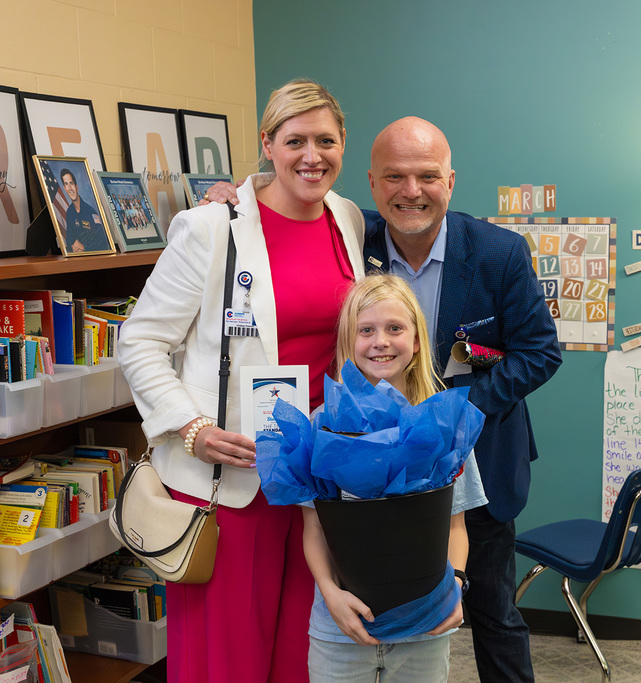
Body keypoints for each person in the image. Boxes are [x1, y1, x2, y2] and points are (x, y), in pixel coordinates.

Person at [205, 115, 562, 682]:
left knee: (491, 612)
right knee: (362, 610)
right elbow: (294, 193)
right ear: (372, 183)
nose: (411, 192)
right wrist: (234, 195)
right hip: (361, 469)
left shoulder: (500, 252)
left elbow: (541, 352)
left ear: (450, 180)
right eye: (395, 177)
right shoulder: (353, 234)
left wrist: (451, 412)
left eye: (426, 176)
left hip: (471, 459)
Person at [117, 79, 366, 682]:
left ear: (342, 146)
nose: (313, 155)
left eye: (326, 140)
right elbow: (141, 340)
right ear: (267, 145)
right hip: (232, 476)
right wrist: (191, 427)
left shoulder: (347, 220)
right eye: (295, 140)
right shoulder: (209, 228)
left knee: (304, 650)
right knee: (226, 657)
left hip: (313, 472)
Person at [303, 273, 487, 682]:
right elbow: (314, 528)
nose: (380, 341)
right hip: (340, 630)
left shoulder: (446, 424)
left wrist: (456, 584)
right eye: (365, 330)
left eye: (394, 328)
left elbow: (456, 526)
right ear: (349, 342)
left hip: (425, 627)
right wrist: (330, 595)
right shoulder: (323, 425)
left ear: (417, 340)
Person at [60, 168, 110, 253]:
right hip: (78, 259)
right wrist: (74, 246)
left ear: (76, 187)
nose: (70, 188)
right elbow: (69, 241)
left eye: (71, 183)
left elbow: (103, 243)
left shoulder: (91, 212)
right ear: (64, 188)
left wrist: (84, 247)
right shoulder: (69, 213)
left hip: (94, 259)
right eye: (66, 184)